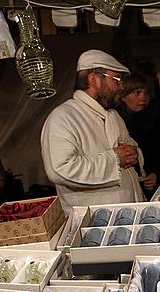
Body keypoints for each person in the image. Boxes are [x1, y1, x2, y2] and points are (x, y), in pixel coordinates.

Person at [41, 49, 144, 214]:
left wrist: (133, 153)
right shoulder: (63, 117)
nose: (121, 86)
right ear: (94, 79)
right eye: (117, 79)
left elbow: (127, 145)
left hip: (129, 214)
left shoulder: (113, 115)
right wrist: (115, 159)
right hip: (94, 223)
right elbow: (60, 169)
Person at [117, 73, 160, 197]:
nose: (143, 98)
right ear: (123, 96)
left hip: (155, 193)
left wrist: (157, 175)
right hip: (123, 191)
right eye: (137, 93)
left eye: (146, 93)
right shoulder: (114, 124)